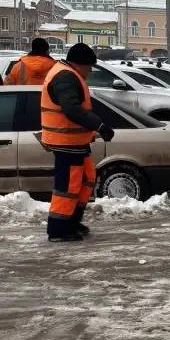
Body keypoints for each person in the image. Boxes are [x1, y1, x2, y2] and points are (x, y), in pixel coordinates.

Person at [40, 42, 114, 242]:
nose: (90, 70)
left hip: (73, 141)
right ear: (79, 64)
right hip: (65, 141)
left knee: (86, 178)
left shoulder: (68, 74)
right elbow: (71, 109)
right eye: (89, 66)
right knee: (68, 187)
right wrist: (99, 126)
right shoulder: (66, 77)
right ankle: (58, 229)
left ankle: (71, 221)